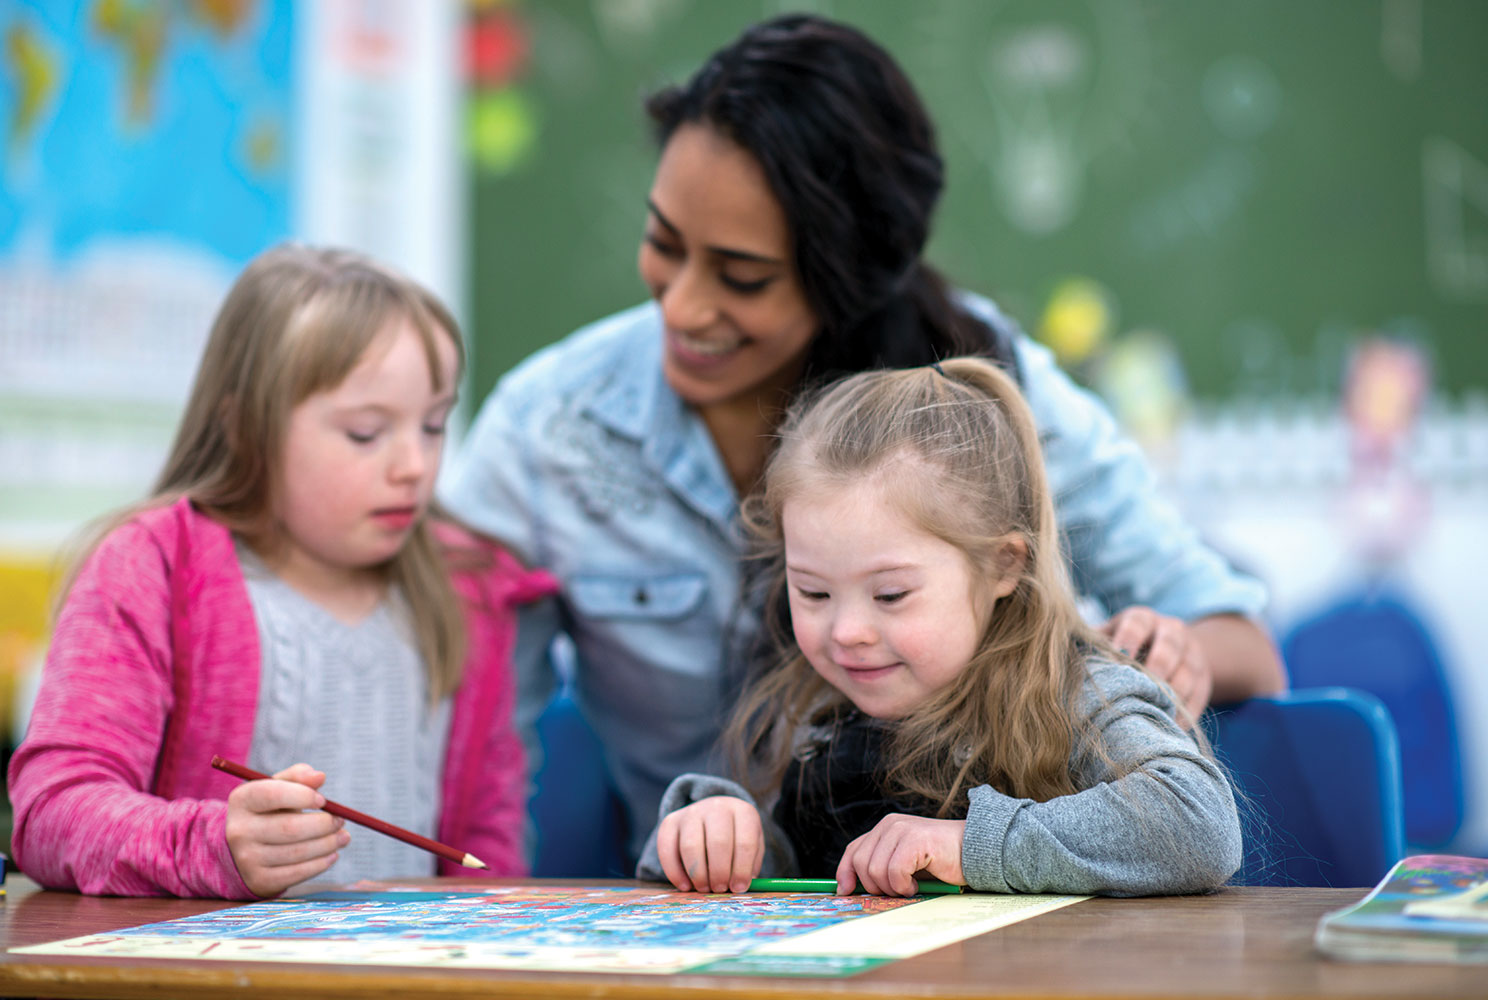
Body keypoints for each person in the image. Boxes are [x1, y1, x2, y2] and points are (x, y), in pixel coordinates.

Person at [441, 13, 1283, 861]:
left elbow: (1238, 653)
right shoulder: (551, 426)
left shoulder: (982, 395)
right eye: (662, 243)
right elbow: (467, 746)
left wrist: (1164, 655)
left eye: (743, 277)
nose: (684, 307)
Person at [8, 245, 553, 899]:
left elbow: (489, 847)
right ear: (246, 429)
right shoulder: (153, 570)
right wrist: (214, 847)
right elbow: (53, 814)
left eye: (434, 425)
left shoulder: (467, 590)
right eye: (364, 433)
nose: (415, 464)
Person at [640, 359, 1241, 896]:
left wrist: (966, 846)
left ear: (1004, 564)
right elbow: (789, 884)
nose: (846, 630)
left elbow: (1198, 824)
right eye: (813, 592)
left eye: (891, 594)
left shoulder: (1078, 695)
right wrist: (715, 832)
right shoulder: (808, 715)